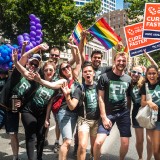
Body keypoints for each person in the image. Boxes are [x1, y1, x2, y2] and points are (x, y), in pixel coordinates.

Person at [12, 49, 67, 160]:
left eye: (50, 70)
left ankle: (39, 157)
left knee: (41, 136)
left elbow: (50, 100)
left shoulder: (59, 81)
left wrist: (47, 118)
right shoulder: (37, 77)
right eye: (46, 70)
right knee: (31, 136)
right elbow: (24, 72)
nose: (48, 72)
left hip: (42, 113)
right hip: (28, 111)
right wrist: (16, 62)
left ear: (55, 70)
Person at [44, 43, 82, 160]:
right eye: (64, 69)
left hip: (75, 112)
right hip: (63, 110)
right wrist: (39, 79)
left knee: (68, 139)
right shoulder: (62, 81)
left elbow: (78, 61)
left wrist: (74, 47)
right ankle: (58, 147)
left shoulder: (75, 76)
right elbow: (50, 84)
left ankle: (60, 149)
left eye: (68, 67)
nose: (66, 69)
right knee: (67, 140)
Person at [93, 52, 132, 160]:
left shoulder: (128, 79)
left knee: (125, 143)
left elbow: (128, 97)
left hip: (123, 113)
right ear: (114, 61)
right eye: (119, 60)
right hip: (108, 113)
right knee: (98, 142)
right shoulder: (104, 77)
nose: (121, 63)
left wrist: (127, 112)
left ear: (126, 62)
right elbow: (100, 98)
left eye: (123, 61)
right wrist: (104, 117)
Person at [77, 62, 99, 160]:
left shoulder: (99, 87)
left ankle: (93, 156)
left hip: (96, 121)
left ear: (93, 73)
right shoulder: (80, 87)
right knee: (82, 146)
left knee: (95, 148)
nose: (87, 73)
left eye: (90, 71)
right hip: (84, 120)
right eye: (85, 72)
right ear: (83, 74)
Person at [130, 66, 153, 160]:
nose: (136, 74)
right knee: (139, 140)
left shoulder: (146, 81)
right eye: (134, 71)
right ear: (130, 71)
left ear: (142, 73)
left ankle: (148, 158)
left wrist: (148, 57)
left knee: (149, 139)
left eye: (139, 72)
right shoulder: (128, 82)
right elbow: (128, 100)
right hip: (136, 112)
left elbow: (156, 70)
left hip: (148, 111)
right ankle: (140, 157)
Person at [140, 65, 160, 160]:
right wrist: (149, 103)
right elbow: (142, 102)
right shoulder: (145, 86)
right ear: (146, 75)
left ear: (157, 74)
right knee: (155, 149)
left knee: (157, 149)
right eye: (149, 73)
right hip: (151, 119)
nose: (151, 76)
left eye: (154, 73)